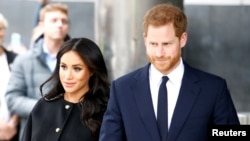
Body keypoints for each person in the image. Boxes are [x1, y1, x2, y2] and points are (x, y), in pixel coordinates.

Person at [99, 3, 240, 141]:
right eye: (153, 44)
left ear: (182, 39)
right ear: (145, 39)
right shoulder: (122, 89)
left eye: (166, 44)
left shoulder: (213, 89)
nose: (159, 53)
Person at [21, 38, 110, 141]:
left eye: (77, 69)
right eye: (63, 67)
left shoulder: (105, 112)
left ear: (92, 71)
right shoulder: (43, 106)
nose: (68, 76)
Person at [5, 3, 70, 140]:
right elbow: (13, 99)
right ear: (41, 25)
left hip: (70, 130)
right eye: (54, 20)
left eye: (64, 21)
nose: (60, 25)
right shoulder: (23, 61)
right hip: (35, 132)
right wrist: (47, 107)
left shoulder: (78, 60)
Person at [0, 13, 20, 141]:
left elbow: (22, 91)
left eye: (1, 28)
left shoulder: (16, 60)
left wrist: (13, 123)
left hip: (12, 131)